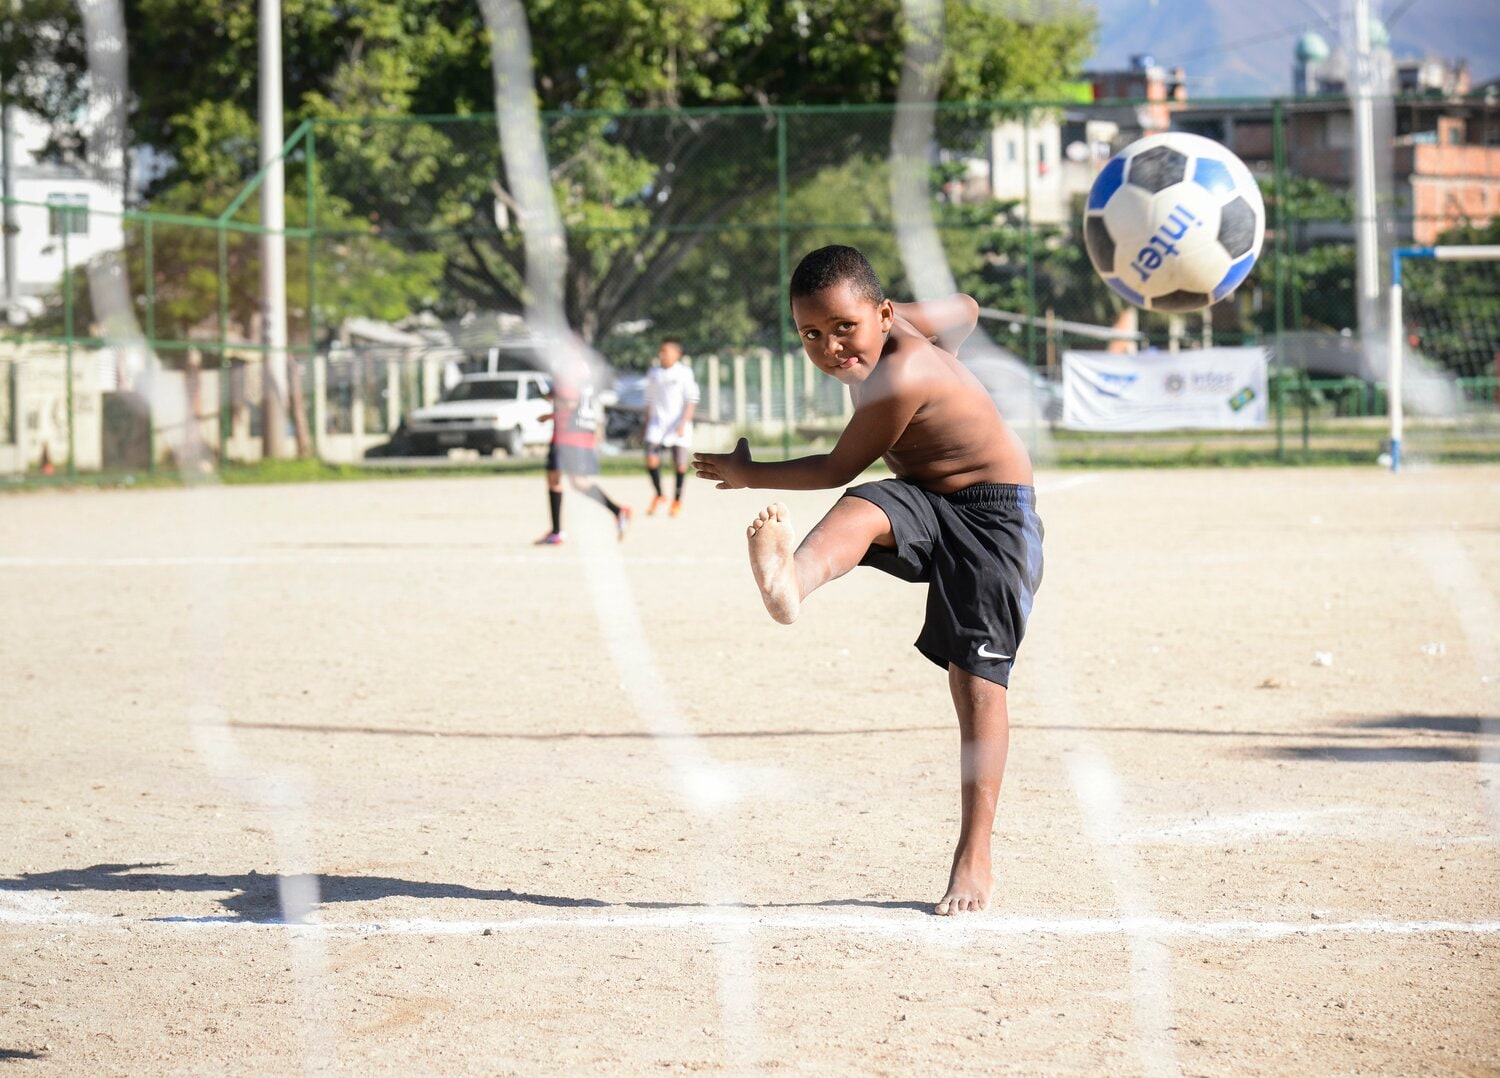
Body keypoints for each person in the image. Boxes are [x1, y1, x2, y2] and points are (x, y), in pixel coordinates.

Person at [693, 245, 1042, 916]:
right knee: (868, 504)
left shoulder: (903, 374)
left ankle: (975, 857)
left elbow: (832, 463)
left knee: (976, 684)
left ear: (881, 314)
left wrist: (747, 472)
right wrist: (911, 326)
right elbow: (965, 309)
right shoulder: (890, 328)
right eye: (811, 335)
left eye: (844, 328)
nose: (830, 347)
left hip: (995, 517)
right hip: (928, 495)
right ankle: (791, 582)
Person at [536, 359, 631, 545]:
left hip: (567, 435)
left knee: (560, 480)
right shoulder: (583, 376)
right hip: (581, 435)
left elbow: (570, 403)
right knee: (574, 482)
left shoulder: (567, 376)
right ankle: (618, 512)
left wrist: (550, 415)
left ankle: (558, 532)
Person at [643, 337, 699, 516]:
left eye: (665, 351)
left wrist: (684, 422)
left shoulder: (684, 373)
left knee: (680, 465)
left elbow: (691, 400)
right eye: (661, 351)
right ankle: (659, 494)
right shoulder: (654, 373)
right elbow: (649, 400)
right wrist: (646, 423)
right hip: (657, 424)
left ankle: (676, 500)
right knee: (651, 459)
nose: (662, 354)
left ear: (677, 354)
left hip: (678, 425)